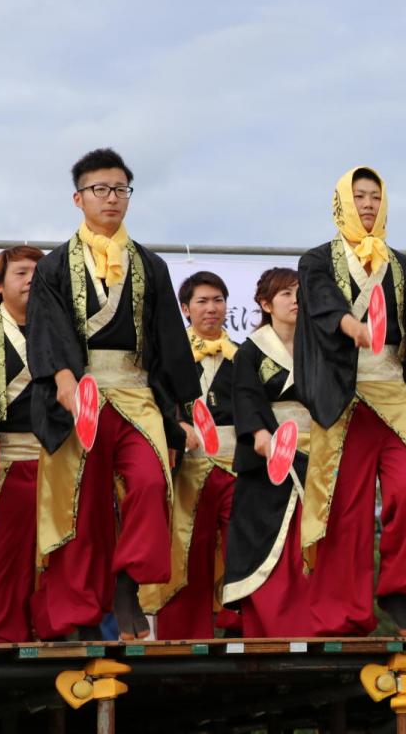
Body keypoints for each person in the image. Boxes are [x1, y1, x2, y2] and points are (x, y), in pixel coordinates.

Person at [27, 148, 199, 641]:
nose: (112, 198)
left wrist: (181, 411)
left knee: (150, 482)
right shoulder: (55, 266)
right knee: (81, 508)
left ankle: (128, 583)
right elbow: (49, 330)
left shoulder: (151, 265)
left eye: (121, 189)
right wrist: (62, 380)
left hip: (136, 393)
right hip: (78, 396)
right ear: (78, 198)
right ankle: (76, 618)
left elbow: (167, 342)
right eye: (100, 189)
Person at [295, 166, 406, 636]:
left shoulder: (403, 266)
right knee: (346, 507)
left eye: (375, 196)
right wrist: (350, 326)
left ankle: (397, 589)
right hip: (344, 394)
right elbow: (319, 302)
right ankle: (343, 614)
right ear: (342, 203)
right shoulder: (317, 260)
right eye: (359, 197)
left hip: (393, 391)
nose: (369, 205)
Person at [140, 271, 241, 637]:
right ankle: (184, 635)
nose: (211, 308)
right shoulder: (167, 357)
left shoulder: (245, 356)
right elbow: (154, 401)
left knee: (241, 548)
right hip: (186, 468)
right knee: (186, 552)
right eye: (202, 301)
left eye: (218, 300)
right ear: (184, 308)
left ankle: (239, 628)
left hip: (237, 468)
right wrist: (175, 428)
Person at [221, 268, 315, 637]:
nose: (295, 301)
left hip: (318, 453)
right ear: (265, 304)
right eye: (286, 294)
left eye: (299, 294)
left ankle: (315, 621)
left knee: (312, 540)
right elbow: (244, 395)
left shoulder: (318, 346)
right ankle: (268, 623)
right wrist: (261, 433)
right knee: (268, 540)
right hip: (269, 456)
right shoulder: (250, 350)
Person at [0, 246, 44, 642]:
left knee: (55, 556)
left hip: (56, 459)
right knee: (3, 555)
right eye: (21, 272)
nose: (31, 278)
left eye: (38, 271)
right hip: (3, 457)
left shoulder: (60, 335)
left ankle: (53, 631)